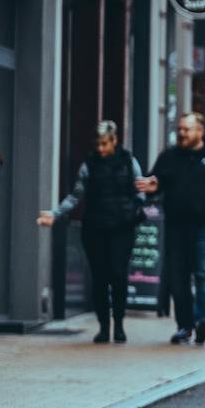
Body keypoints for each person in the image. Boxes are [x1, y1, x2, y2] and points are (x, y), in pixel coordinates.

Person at [138, 112, 205, 346]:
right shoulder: (169, 157)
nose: (181, 134)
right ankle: (185, 326)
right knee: (178, 278)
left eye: (186, 130)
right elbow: (156, 181)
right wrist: (151, 186)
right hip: (176, 226)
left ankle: (203, 321)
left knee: (204, 273)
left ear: (200, 130)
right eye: (179, 129)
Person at [37, 121, 145, 344]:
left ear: (115, 140)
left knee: (117, 274)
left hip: (122, 228)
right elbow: (76, 195)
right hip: (95, 227)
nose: (101, 149)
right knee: (99, 277)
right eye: (98, 144)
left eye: (105, 143)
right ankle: (104, 327)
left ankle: (119, 324)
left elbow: (140, 189)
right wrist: (56, 214)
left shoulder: (128, 161)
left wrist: (138, 208)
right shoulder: (89, 164)